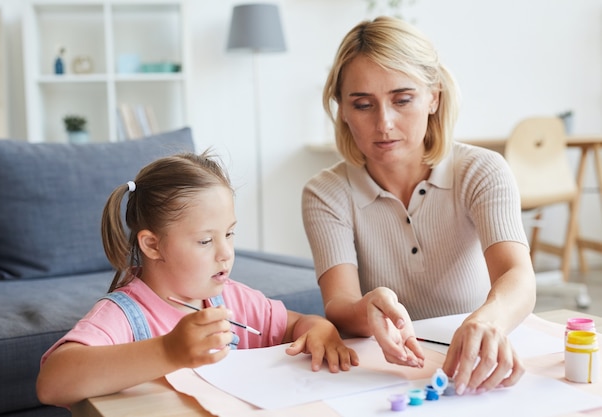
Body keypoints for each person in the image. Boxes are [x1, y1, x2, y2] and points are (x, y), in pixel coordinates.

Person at [302, 16, 536, 396]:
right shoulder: (325, 193)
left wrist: (488, 321)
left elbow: (518, 277)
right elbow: (340, 304)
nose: (384, 123)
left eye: (402, 99)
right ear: (342, 110)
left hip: (475, 360)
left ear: (434, 97)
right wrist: (370, 308)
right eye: (363, 105)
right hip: (384, 373)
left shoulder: (481, 170)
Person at [37, 151, 359, 406]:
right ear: (152, 244)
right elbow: (51, 385)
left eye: (230, 234)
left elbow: (298, 325)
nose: (226, 253)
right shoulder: (123, 315)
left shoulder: (232, 299)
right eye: (205, 241)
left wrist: (321, 328)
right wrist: (168, 351)